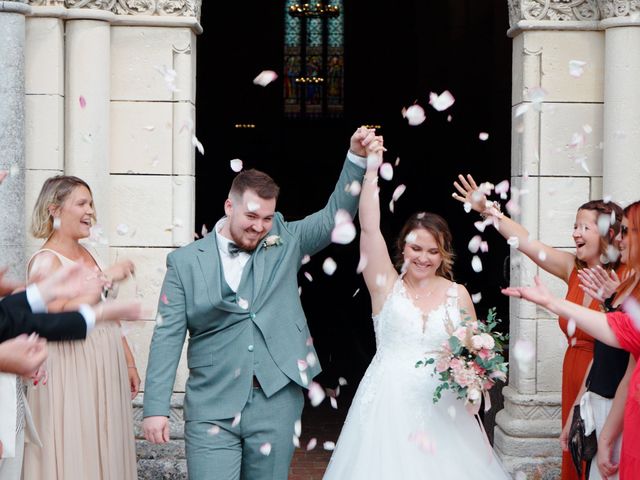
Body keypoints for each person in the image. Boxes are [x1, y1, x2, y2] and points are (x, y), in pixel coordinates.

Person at [142, 128, 371, 480]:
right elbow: (167, 335)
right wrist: (155, 407)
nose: (259, 227)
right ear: (229, 205)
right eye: (251, 216)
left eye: (267, 218)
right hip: (211, 404)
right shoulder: (185, 263)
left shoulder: (285, 240)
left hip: (276, 398)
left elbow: (333, 217)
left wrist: (356, 157)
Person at [323, 136, 510, 479]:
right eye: (416, 249)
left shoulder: (458, 294)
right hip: (388, 406)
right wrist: (371, 170)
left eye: (433, 251)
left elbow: (473, 353)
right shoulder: (385, 287)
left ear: (444, 254)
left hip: (446, 410)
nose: (424, 258)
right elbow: (368, 226)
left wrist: (473, 383)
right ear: (403, 248)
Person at [453, 174, 622, 480]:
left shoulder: (620, 281)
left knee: (597, 456)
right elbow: (526, 242)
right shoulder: (572, 268)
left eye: (585, 227)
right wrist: (487, 209)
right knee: (574, 449)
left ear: (607, 234)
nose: (575, 233)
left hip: (602, 377)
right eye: (575, 226)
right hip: (572, 370)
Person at [22, 175, 139, 480]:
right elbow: (52, 317)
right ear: (55, 210)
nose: (91, 212)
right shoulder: (46, 262)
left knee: (104, 444)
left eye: (91, 204)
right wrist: (105, 281)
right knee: (76, 441)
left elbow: (105, 311)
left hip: (104, 365)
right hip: (69, 369)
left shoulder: (90, 254)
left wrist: (127, 360)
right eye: (82, 204)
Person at [576, 202, 640, 479]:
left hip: (620, 405)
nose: (619, 238)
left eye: (626, 231)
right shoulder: (627, 286)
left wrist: (551, 302)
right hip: (608, 399)